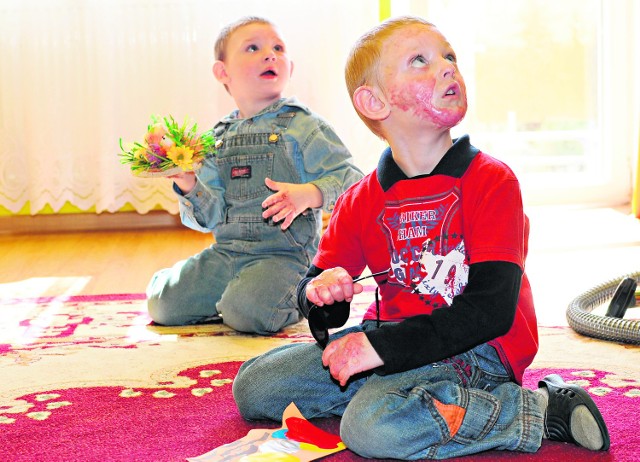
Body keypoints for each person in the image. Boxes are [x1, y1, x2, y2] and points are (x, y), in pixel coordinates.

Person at [232, 16, 610, 459]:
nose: (448, 67)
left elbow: (491, 311)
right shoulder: (360, 197)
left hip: (480, 350)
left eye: (450, 57)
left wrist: (379, 349)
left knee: (371, 427)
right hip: (394, 339)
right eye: (420, 60)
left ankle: (537, 411)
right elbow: (319, 300)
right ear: (373, 102)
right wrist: (321, 293)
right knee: (254, 386)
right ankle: (408, 395)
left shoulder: (491, 180)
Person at [146, 16, 363, 334]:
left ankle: (297, 294)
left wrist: (310, 193)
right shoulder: (216, 139)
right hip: (227, 253)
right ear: (223, 72)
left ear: (291, 66)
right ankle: (231, 294)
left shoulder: (304, 125)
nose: (270, 54)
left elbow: (353, 180)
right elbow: (208, 219)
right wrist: (188, 182)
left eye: (278, 48)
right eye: (253, 48)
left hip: (286, 257)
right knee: (162, 304)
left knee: (245, 313)